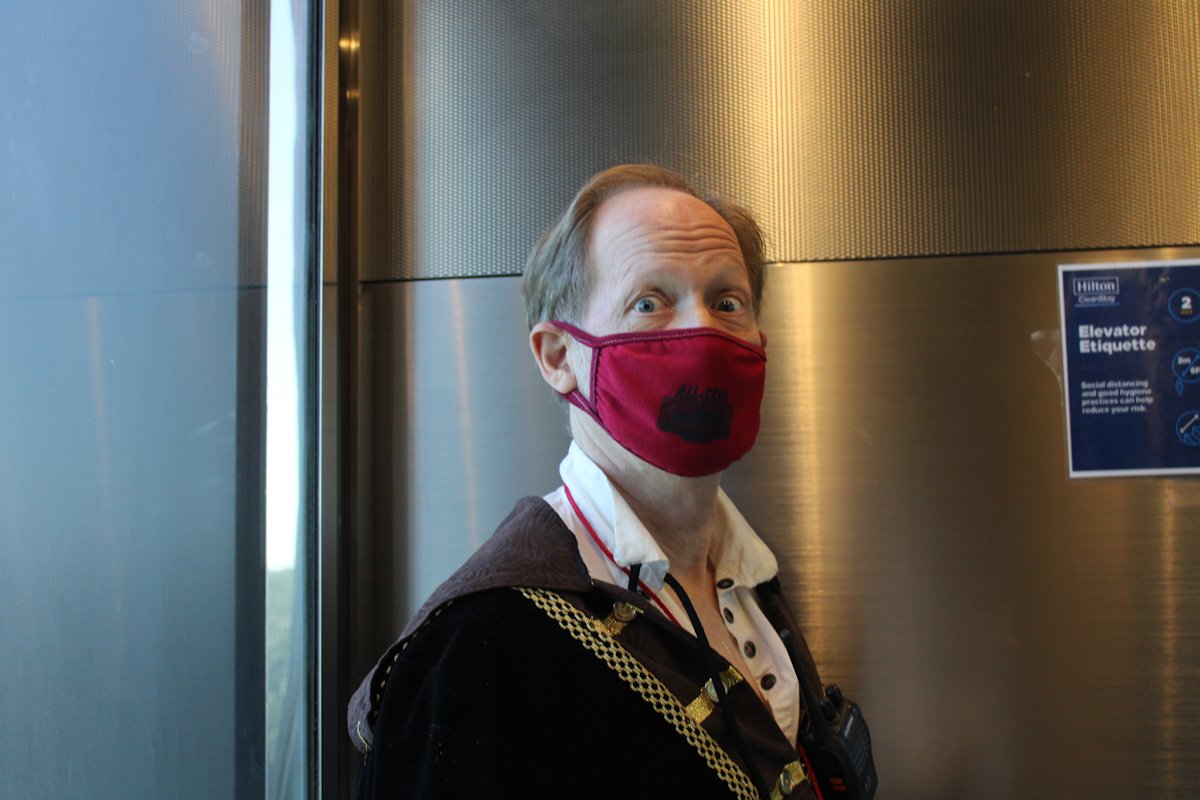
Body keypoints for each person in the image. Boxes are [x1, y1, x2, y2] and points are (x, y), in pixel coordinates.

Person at [349, 165, 824, 799]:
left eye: (727, 302)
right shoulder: (477, 647)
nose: (705, 332)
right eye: (649, 302)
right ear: (558, 356)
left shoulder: (753, 582)